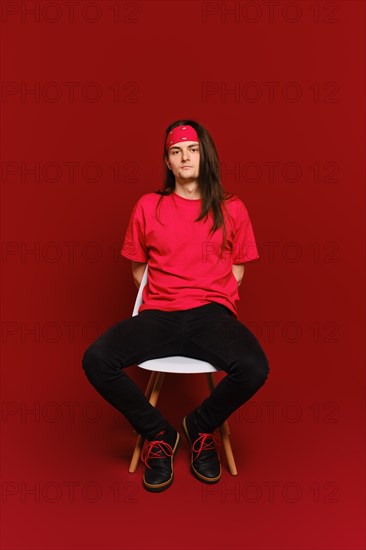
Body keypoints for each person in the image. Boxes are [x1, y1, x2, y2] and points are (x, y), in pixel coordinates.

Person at [81, 119, 270, 493]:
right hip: (160, 315)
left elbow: (238, 269)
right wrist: (168, 297)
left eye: (193, 149)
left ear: (205, 156)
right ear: (168, 161)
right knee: (96, 359)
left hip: (211, 315)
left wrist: (210, 296)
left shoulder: (232, 208)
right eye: (176, 151)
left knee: (254, 367)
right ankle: (160, 434)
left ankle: (199, 426)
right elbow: (139, 269)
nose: (185, 157)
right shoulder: (149, 206)